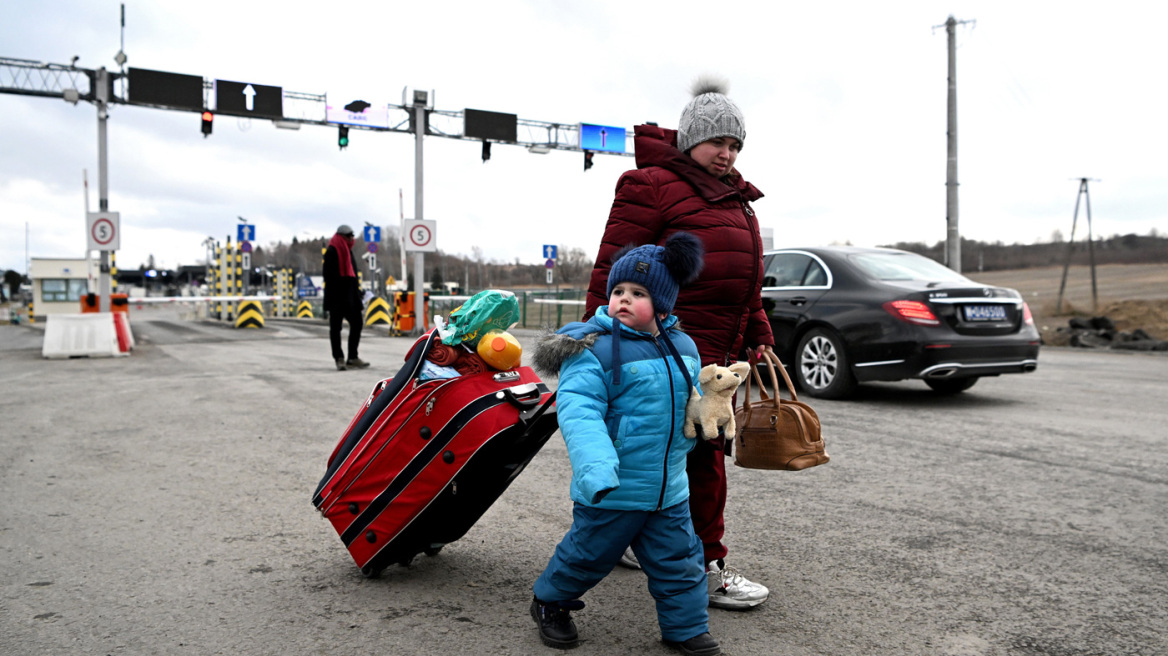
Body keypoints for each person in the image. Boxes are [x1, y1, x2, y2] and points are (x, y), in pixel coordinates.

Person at [583, 77, 774, 611]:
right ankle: (704, 567)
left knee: (680, 454)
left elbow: (744, 282)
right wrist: (593, 341)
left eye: (735, 144)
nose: (727, 152)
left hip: (716, 353)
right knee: (695, 459)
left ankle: (638, 539)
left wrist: (759, 331)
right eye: (718, 141)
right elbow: (613, 269)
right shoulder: (651, 185)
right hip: (666, 350)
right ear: (690, 139)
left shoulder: (737, 199)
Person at [530, 233, 721, 656]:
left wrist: (711, 421)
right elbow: (579, 413)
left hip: (668, 488)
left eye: (638, 293)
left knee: (681, 561)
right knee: (587, 555)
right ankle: (549, 602)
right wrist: (596, 467)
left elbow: (691, 403)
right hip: (613, 486)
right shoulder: (593, 351)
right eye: (618, 291)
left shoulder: (684, 347)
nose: (623, 299)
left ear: (664, 302)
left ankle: (686, 628)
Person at [323, 224, 370, 371]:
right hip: (337, 298)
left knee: (357, 324)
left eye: (352, 236)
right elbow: (328, 277)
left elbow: (353, 276)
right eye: (349, 236)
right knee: (335, 329)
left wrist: (358, 292)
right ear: (342, 236)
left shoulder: (348, 252)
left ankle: (352, 357)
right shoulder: (332, 251)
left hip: (351, 297)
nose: (352, 238)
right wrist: (341, 292)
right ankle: (339, 358)